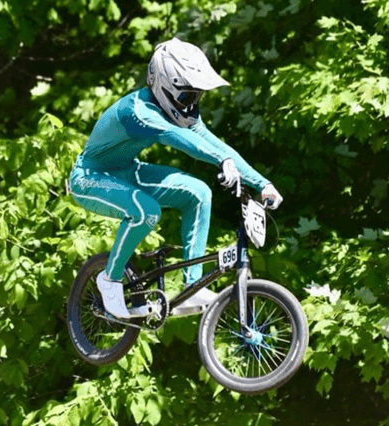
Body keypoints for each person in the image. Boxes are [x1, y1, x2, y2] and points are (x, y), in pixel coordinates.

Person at [68, 37, 283, 318]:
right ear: (165, 86)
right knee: (146, 211)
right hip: (90, 178)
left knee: (199, 193)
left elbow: (217, 145)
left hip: (128, 171)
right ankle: (109, 279)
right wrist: (221, 160)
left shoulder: (180, 113)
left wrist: (262, 183)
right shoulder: (137, 111)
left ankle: (191, 286)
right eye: (186, 96)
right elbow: (176, 137)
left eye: (196, 96)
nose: (191, 104)